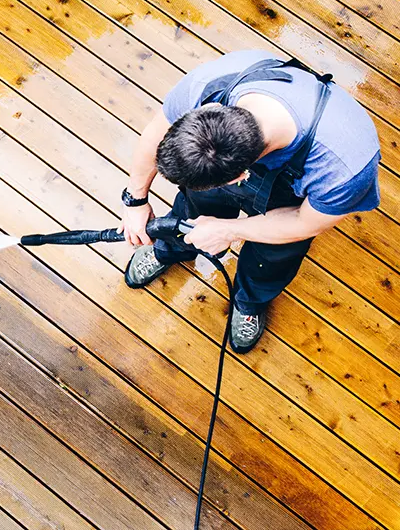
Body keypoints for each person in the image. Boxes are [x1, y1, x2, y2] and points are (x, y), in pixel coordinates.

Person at [119, 50, 381, 353]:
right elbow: (156, 132)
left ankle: (250, 300)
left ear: (239, 176)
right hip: (234, 172)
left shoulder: (345, 165)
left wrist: (228, 231)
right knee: (192, 209)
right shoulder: (209, 86)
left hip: (292, 206)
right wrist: (135, 200)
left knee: (273, 256)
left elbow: (303, 223)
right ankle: (171, 249)